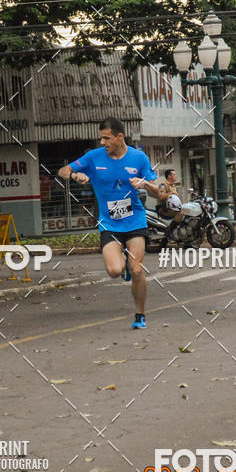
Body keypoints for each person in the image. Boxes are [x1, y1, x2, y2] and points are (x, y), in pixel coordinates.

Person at [58, 117, 160, 330]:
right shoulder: (93, 157)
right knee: (114, 270)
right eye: (101, 138)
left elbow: (157, 192)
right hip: (109, 223)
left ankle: (140, 315)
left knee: (137, 270)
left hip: (135, 220)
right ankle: (123, 263)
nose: (102, 142)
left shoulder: (138, 158)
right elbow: (63, 170)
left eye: (106, 138)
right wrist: (75, 175)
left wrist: (144, 184)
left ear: (119, 137)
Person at [156, 168, 185, 239]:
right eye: (174, 174)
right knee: (180, 213)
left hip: (172, 208)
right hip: (164, 208)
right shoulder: (163, 185)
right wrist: (171, 193)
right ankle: (169, 231)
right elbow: (161, 197)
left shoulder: (173, 186)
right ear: (169, 176)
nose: (176, 176)